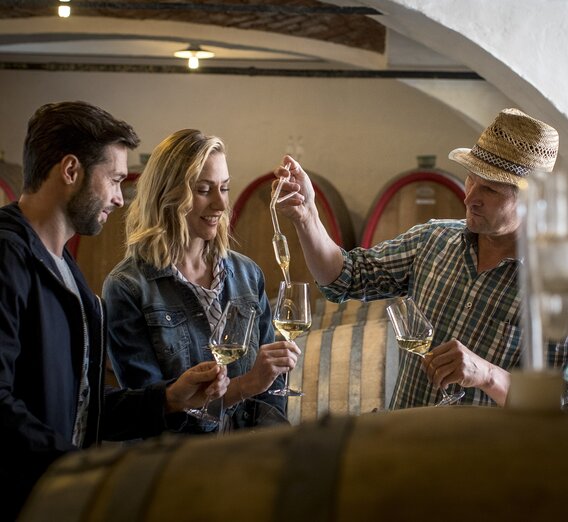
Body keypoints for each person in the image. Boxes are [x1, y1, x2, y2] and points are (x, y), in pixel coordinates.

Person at [0, 101, 229, 520]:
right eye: (115, 180)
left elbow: (81, 407)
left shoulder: (66, 271)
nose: (121, 199)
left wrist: (166, 400)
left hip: (53, 501)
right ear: (71, 171)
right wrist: (76, 467)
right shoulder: (7, 259)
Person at [272, 108, 568, 409]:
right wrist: (307, 215)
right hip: (404, 447)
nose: (469, 198)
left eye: (490, 190)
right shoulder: (433, 240)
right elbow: (344, 277)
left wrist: (488, 375)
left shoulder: (556, 289)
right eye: (470, 180)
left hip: (485, 455)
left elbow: (558, 403)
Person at [102, 128, 300, 434]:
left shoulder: (248, 274)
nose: (220, 206)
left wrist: (272, 446)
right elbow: (155, 411)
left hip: (249, 457)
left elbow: (272, 392)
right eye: (204, 190)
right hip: (176, 466)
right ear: (166, 195)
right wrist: (247, 384)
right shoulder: (128, 287)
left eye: (225, 188)